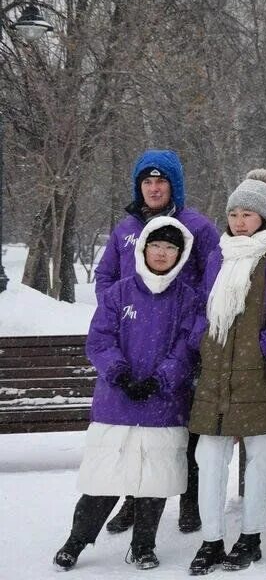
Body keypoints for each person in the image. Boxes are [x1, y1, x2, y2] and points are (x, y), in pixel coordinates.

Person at [53, 218, 202, 571]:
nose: (162, 253)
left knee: (154, 480)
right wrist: (119, 373)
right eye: (156, 245)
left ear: (180, 254)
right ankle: (76, 541)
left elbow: (187, 347)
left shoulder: (188, 299)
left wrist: (161, 379)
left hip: (163, 405)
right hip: (115, 403)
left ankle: (143, 546)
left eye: (170, 248)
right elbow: (100, 340)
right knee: (102, 480)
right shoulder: (119, 293)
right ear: (143, 248)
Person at [94, 149, 218, 536]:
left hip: (181, 346)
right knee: (136, 429)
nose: (152, 188)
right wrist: (120, 319)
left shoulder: (197, 227)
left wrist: (191, 330)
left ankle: (188, 501)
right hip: (134, 347)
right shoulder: (125, 228)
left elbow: (210, 283)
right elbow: (106, 277)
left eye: (160, 181)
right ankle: (133, 499)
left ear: (173, 185)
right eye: (146, 182)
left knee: (184, 428)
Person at [186, 171, 266, 574]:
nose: (239, 220)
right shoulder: (219, 253)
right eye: (234, 213)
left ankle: (251, 537)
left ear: (264, 217)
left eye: (248, 213)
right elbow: (203, 304)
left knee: (261, 457)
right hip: (217, 371)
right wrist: (203, 340)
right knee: (209, 456)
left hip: (261, 370)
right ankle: (211, 540)